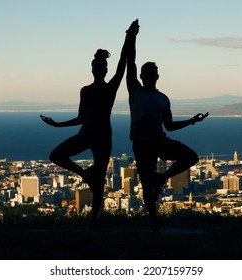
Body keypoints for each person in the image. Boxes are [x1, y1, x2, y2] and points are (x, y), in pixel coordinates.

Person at [40, 20, 139, 230]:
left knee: (101, 176)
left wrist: (129, 37)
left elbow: (123, 60)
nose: (100, 68)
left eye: (103, 66)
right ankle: (86, 175)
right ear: (92, 68)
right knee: (56, 155)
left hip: (103, 136)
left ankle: (93, 220)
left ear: (105, 69)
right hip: (86, 133)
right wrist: (57, 125)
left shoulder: (111, 87)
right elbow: (79, 117)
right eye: (97, 65)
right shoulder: (84, 90)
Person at [125, 19, 209, 232]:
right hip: (141, 144)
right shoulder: (134, 90)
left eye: (152, 73)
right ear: (142, 76)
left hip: (159, 141)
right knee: (146, 185)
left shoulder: (164, 98)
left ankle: (160, 178)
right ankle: (154, 223)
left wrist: (191, 121)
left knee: (191, 157)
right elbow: (130, 62)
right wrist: (131, 37)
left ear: (157, 76)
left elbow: (169, 126)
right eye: (146, 73)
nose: (149, 76)